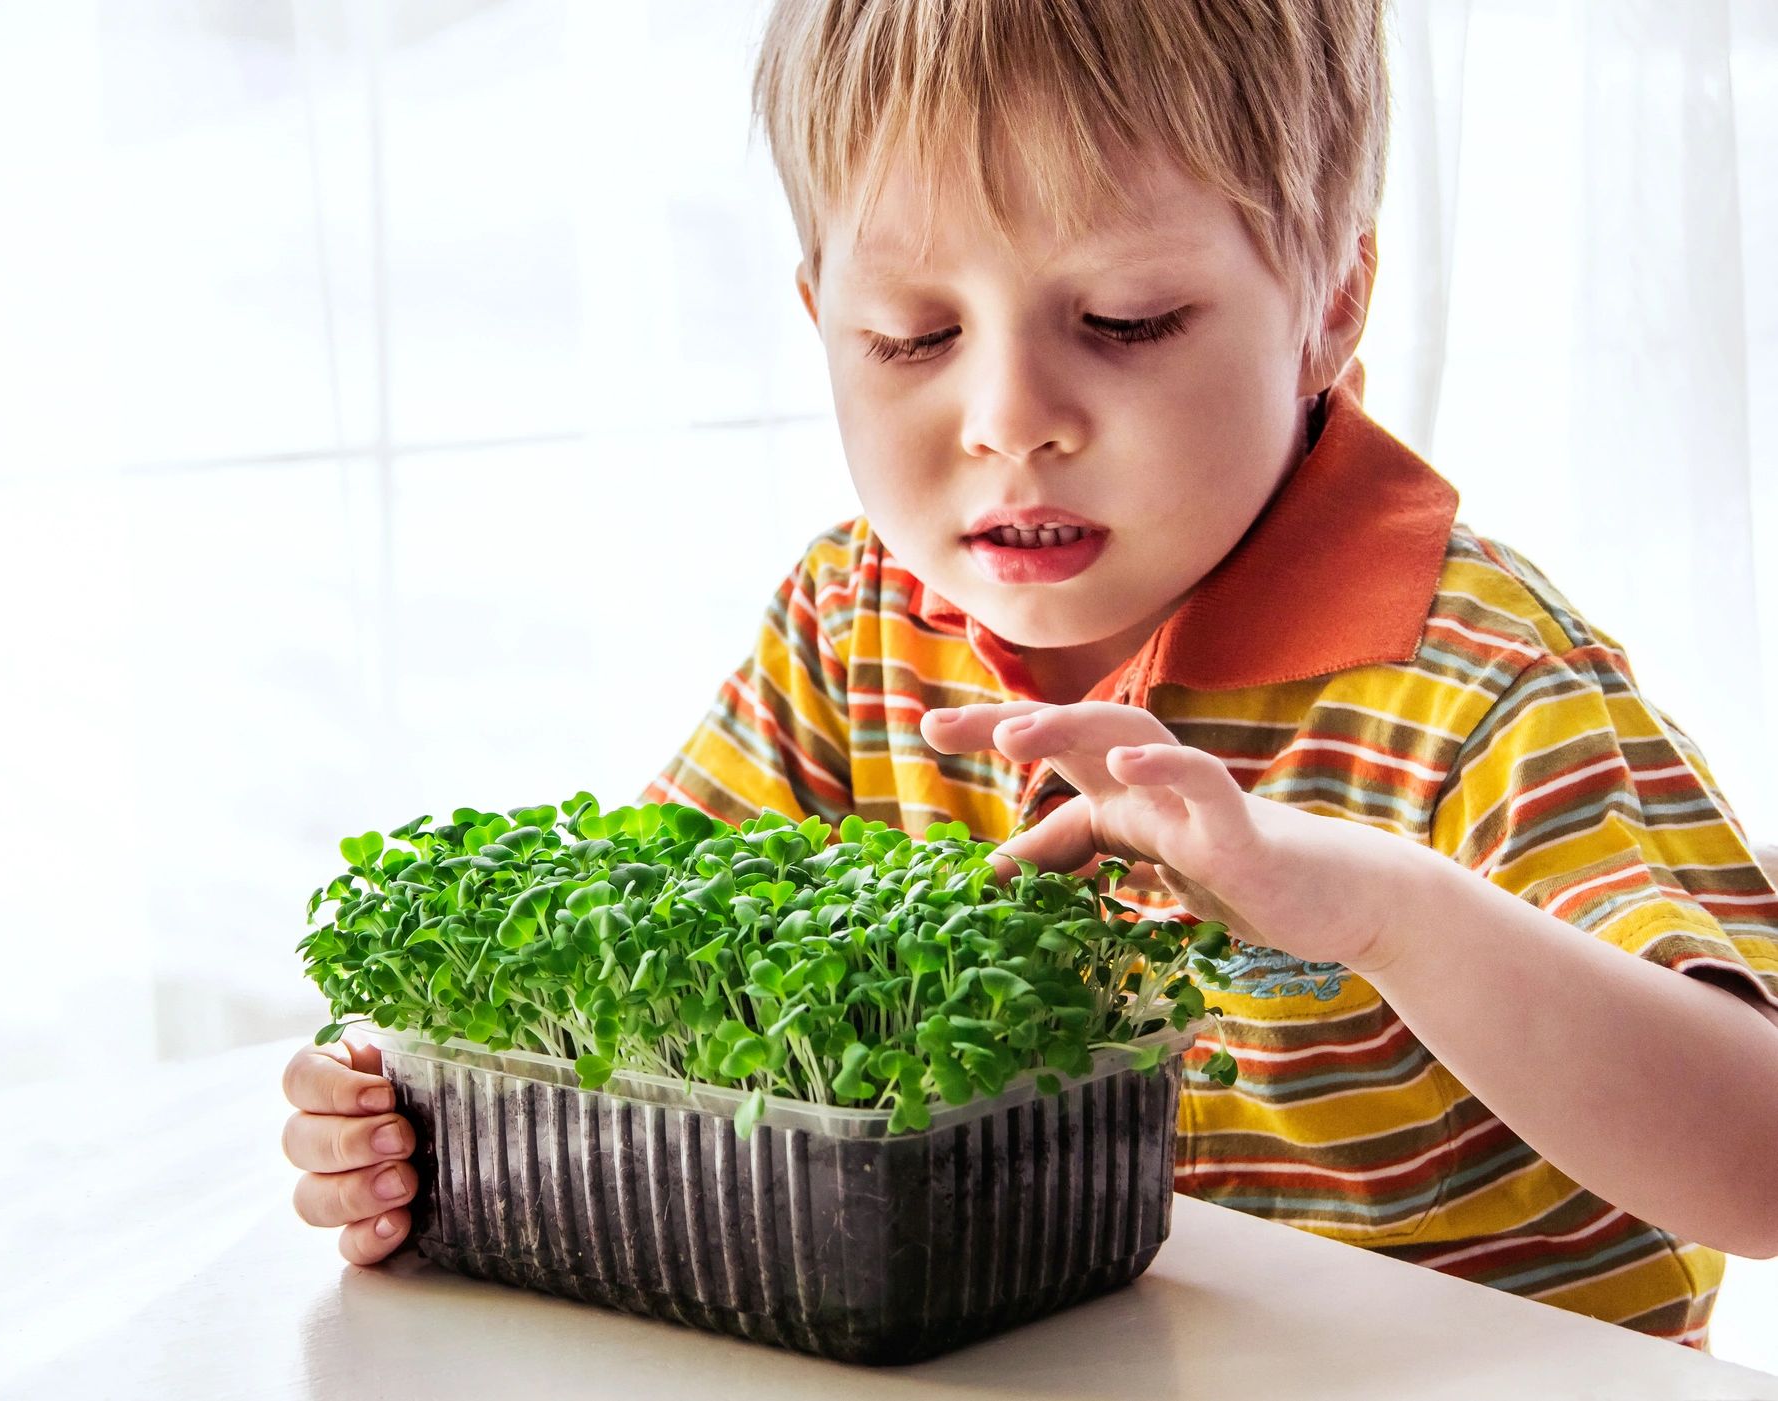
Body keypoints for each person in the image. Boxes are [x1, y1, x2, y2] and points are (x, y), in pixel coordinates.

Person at [280, 0, 1778, 1349]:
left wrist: (1385, 910)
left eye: (1126, 322)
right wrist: (406, 1119)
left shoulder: (1482, 678)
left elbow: (1762, 1162)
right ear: (821, 319)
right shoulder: (848, 622)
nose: (1010, 418)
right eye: (911, 335)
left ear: (1329, 302)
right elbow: (621, 987)